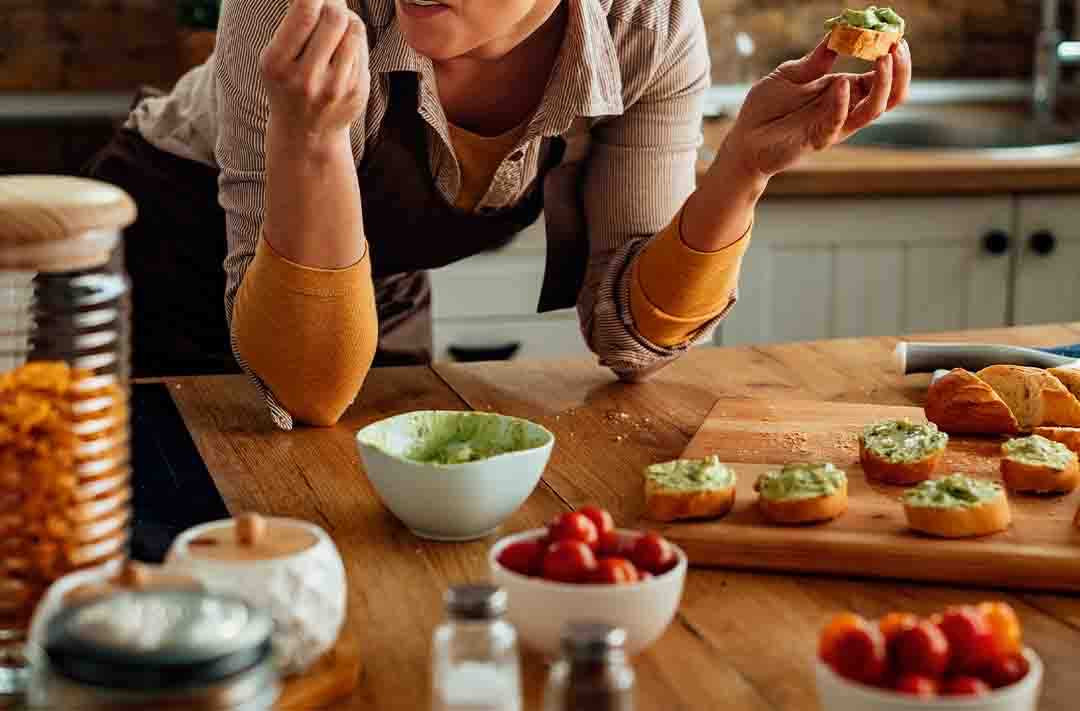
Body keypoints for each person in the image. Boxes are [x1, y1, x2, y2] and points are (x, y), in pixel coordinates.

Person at [87, 0, 911, 429]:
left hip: (372, 281)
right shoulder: (301, 11)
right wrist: (308, 141)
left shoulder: (644, 26)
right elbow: (301, 388)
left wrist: (739, 171)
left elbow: (631, 335)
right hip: (176, 253)